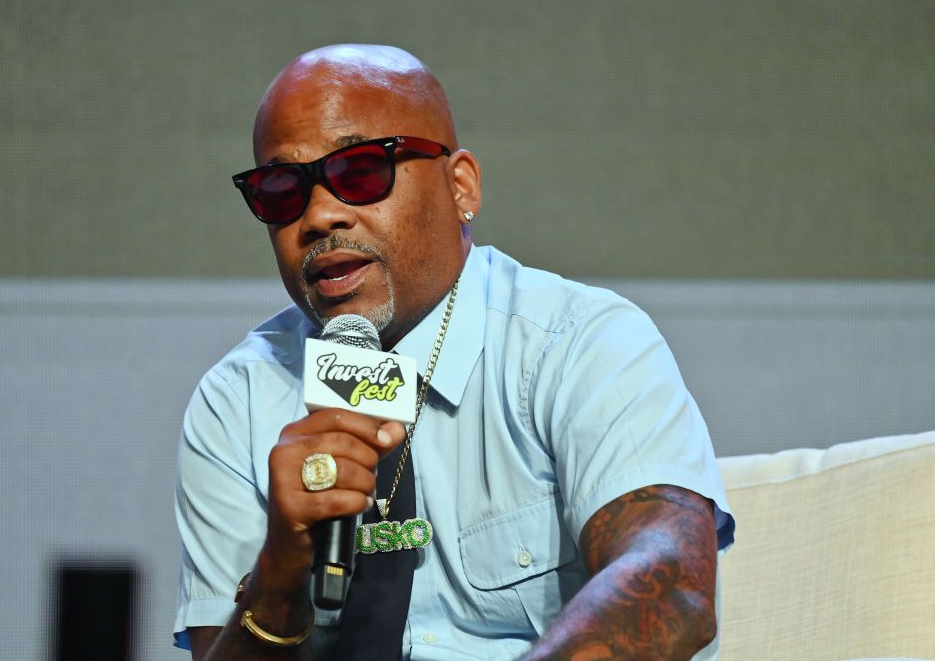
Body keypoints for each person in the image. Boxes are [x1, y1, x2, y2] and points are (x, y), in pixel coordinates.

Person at [173, 44, 735, 660]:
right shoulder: (237, 400)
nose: (320, 215)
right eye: (282, 190)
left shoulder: (579, 342)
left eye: (360, 171)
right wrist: (281, 570)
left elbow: (671, 591)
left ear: (460, 185)